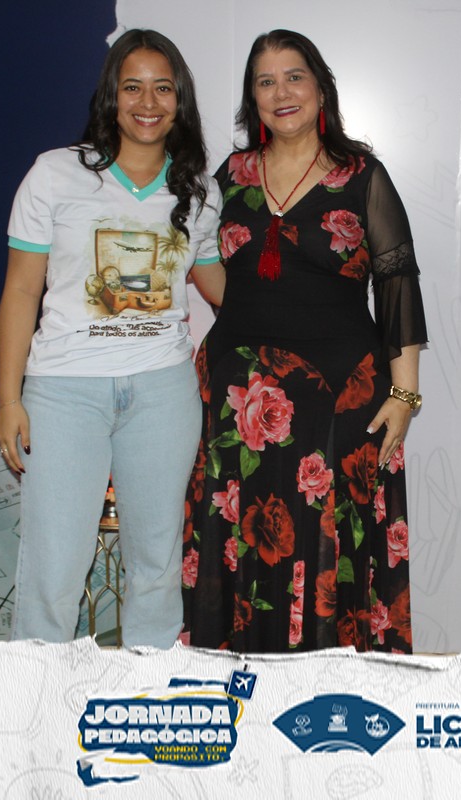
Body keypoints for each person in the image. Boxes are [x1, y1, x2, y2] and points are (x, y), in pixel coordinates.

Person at [182, 29, 427, 654]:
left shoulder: (361, 175)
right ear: (252, 99)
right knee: (243, 539)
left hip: (339, 400)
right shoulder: (231, 176)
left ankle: (329, 686)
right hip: (238, 406)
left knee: (327, 544)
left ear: (320, 88)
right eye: (265, 82)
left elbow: (397, 281)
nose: (281, 92)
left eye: (294, 76)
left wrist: (404, 394)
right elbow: (210, 269)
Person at [0, 29, 223, 648]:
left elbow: (218, 286)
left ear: (180, 100)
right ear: (111, 97)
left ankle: (147, 691)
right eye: (132, 87)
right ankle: (38, 694)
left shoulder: (199, 191)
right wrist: (9, 398)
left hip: (162, 391)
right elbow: (21, 291)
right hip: (63, 393)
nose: (147, 102)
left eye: (163, 88)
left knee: (156, 561)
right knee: (54, 563)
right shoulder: (55, 174)